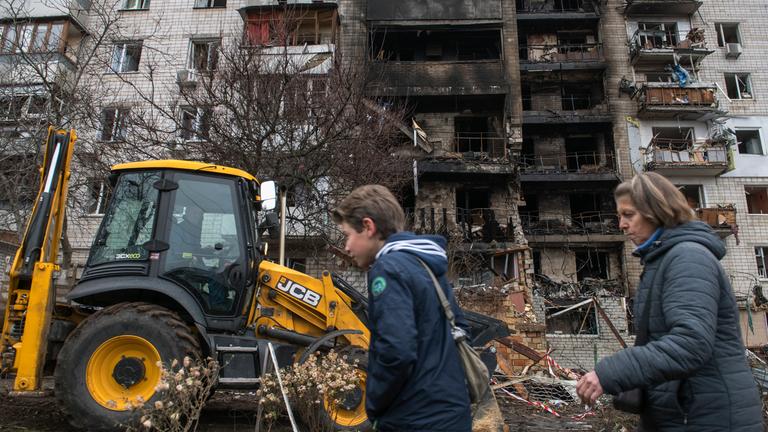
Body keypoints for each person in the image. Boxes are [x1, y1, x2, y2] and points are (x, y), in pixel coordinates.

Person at [576, 172, 762, 431]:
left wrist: (610, 373)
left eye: (629, 215)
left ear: (656, 211)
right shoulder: (661, 260)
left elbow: (690, 344)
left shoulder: (687, 258)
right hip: (682, 413)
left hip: (709, 417)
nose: (621, 224)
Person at [332, 185, 472, 432]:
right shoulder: (425, 264)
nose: (346, 247)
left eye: (347, 235)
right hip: (452, 415)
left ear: (368, 227)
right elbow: (459, 326)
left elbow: (396, 351)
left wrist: (373, 405)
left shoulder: (388, 270)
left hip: (413, 419)